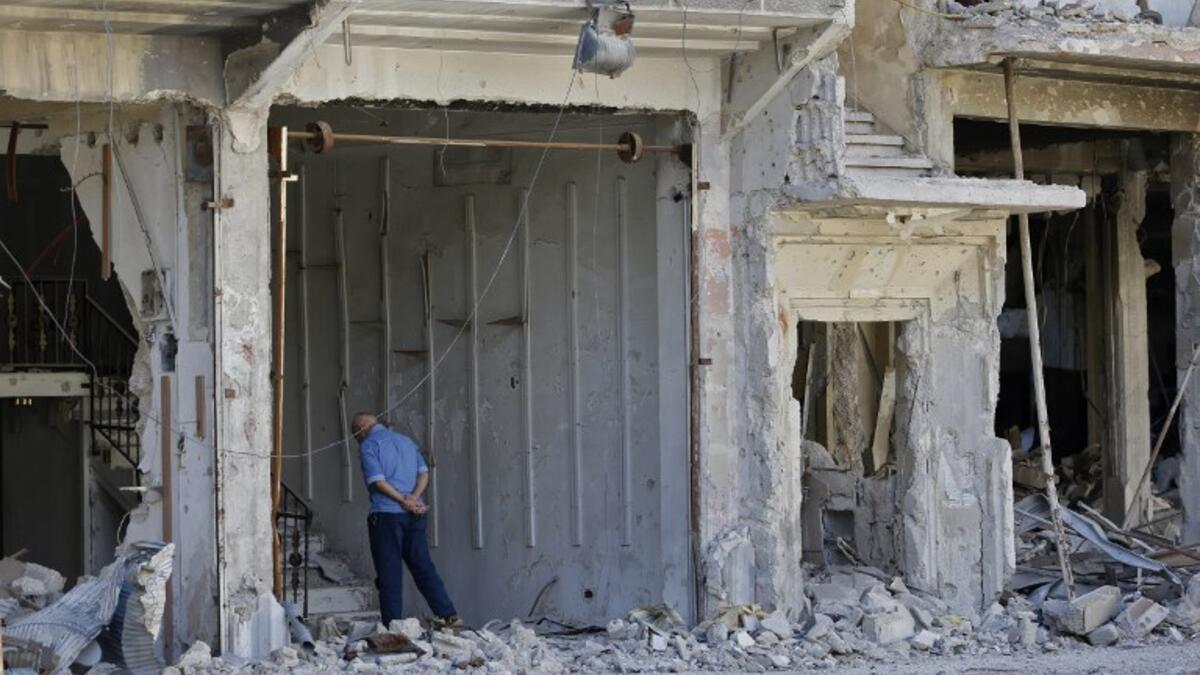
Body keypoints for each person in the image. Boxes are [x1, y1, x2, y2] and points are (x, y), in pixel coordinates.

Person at [353, 412, 460, 627]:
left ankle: (393, 627)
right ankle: (449, 617)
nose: (357, 439)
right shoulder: (406, 441)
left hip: (386, 515)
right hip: (415, 514)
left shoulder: (369, 445)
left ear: (360, 429)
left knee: (389, 573)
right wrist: (413, 498)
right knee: (423, 567)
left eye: (356, 435)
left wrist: (403, 500)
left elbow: (379, 482)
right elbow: (424, 473)